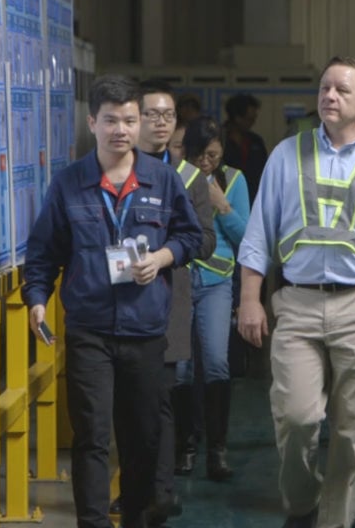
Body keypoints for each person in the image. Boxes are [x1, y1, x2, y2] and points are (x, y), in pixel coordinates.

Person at [237, 56, 355, 528]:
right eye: (325, 87)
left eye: (342, 90)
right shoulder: (287, 154)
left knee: (352, 429)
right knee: (297, 416)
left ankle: (334, 521)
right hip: (298, 303)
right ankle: (302, 504)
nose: (329, 96)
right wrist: (249, 299)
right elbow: (259, 232)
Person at [22, 74, 203, 528]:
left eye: (129, 120)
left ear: (138, 123)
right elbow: (43, 252)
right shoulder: (69, 184)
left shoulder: (163, 180)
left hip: (145, 329)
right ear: (92, 123)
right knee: (92, 435)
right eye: (110, 121)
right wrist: (37, 299)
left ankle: (137, 518)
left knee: (142, 437)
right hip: (89, 330)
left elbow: (191, 237)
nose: (120, 130)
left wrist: (161, 258)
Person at [111, 80, 216, 525]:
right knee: (124, 402)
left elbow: (205, 240)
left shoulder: (188, 179)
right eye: (151, 114)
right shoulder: (114, 168)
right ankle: (133, 489)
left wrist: (166, 252)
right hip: (116, 302)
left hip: (165, 302)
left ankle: (160, 492)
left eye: (168, 115)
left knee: (160, 400)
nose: (160, 122)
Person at [175, 116, 251, 483]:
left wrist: (223, 206)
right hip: (179, 280)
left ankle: (217, 451)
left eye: (213, 156)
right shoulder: (175, 178)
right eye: (200, 156)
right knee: (181, 368)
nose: (206, 163)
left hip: (217, 282)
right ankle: (185, 447)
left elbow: (247, 237)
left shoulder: (234, 180)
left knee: (217, 362)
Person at [222, 93, 269, 204]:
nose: (253, 122)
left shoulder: (256, 141)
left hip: (253, 200)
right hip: (226, 198)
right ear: (237, 118)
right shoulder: (219, 140)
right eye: (250, 119)